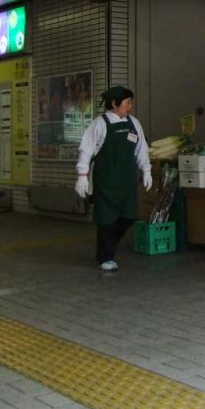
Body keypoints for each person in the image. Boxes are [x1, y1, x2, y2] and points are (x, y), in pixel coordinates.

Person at [74, 86, 152, 271]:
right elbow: (86, 150)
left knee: (128, 217)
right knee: (107, 219)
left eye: (131, 102)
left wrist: (146, 170)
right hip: (106, 180)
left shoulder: (134, 123)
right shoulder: (99, 124)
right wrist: (82, 176)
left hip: (127, 180)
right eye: (127, 103)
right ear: (115, 103)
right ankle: (105, 257)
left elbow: (142, 148)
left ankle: (107, 248)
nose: (130, 107)